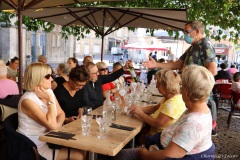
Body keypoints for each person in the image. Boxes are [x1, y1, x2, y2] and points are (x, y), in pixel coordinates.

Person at [115, 65, 215, 160]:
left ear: (187, 91)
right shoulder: (200, 110)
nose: (179, 88)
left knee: (122, 155)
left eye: (182, 85)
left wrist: (144, 154)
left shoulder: (193, 124)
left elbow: (169, 155)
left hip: (157, 150)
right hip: (157, 143)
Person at [16, 63, 86, 160]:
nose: (52, 79)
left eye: (52, 75)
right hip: (34, 145)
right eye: (48, 76)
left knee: (84, 148)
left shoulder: (48, 91)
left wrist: (55, 127)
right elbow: (52, 125)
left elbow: (61, 114)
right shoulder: (27, 100)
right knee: (79, 155)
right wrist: (50, 101)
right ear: (37, 78)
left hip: (49, 139)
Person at [143, 20, 217, 76]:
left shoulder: (205, 45)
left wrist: (195, 81)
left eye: (187, 32)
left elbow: (212, 71)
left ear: (197, 31)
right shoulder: (192, 47)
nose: (185, 35)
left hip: (198, 93)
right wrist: (156, 64)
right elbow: (176, 65)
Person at [132, 69, 186, 144]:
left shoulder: (172, 104)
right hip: (154, 136)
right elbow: (155, 108)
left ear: (166, 85)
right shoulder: (171, 97)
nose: (156, 86)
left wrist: (140, 113)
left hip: (156, 140)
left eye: (158, 83)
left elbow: (157, 125)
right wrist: (138, 108)